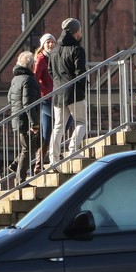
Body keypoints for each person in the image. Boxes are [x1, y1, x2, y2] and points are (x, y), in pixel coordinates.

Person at [47, 18, 88, 164]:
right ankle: (73, 151)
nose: (80, 33)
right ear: (76, 32)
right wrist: (83, 88)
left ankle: (54, 158)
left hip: (58, 92)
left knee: (58, 126)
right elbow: (81, 73)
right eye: (80, 30)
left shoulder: (54, 50)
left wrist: (58, 83)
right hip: (75, 93)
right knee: (81, 122)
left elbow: (50, 71)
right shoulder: (77, 50)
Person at [6, 50, 40, 186]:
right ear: (31, 66)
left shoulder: (16, 79)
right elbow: (28, 104)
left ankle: (15, 164)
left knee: (36, 143)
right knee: (27, 148)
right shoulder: (29, 80)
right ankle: (20, 181)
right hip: (25, 120)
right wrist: (34, 124)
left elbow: (9, 98)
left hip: (17, 118)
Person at [31, 32, 55, 171]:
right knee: (48, 130)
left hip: (55, 97)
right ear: (43, 45)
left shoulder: (55, 57)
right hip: (46, 99)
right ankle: (39, 163)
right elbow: (35, 77)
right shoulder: (41, 58)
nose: (51, 44)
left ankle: (40, 163)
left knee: (52, 129)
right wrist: (44, 89)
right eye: (48, 42)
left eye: (52, 42)